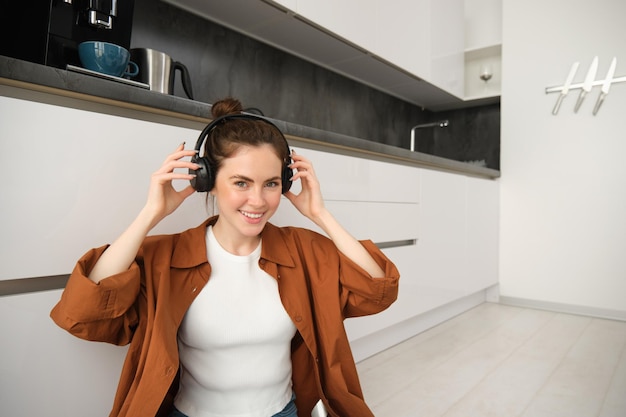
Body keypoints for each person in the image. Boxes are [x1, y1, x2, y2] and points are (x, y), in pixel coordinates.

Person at [51, 97, 400, 417]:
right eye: (241, 183)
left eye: (272, 184)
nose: (259, 201)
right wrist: (150, 215)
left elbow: (378, 289)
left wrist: (321, 214)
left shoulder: (304, 251)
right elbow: (83, 313)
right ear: (207, 181)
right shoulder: (166, 257)